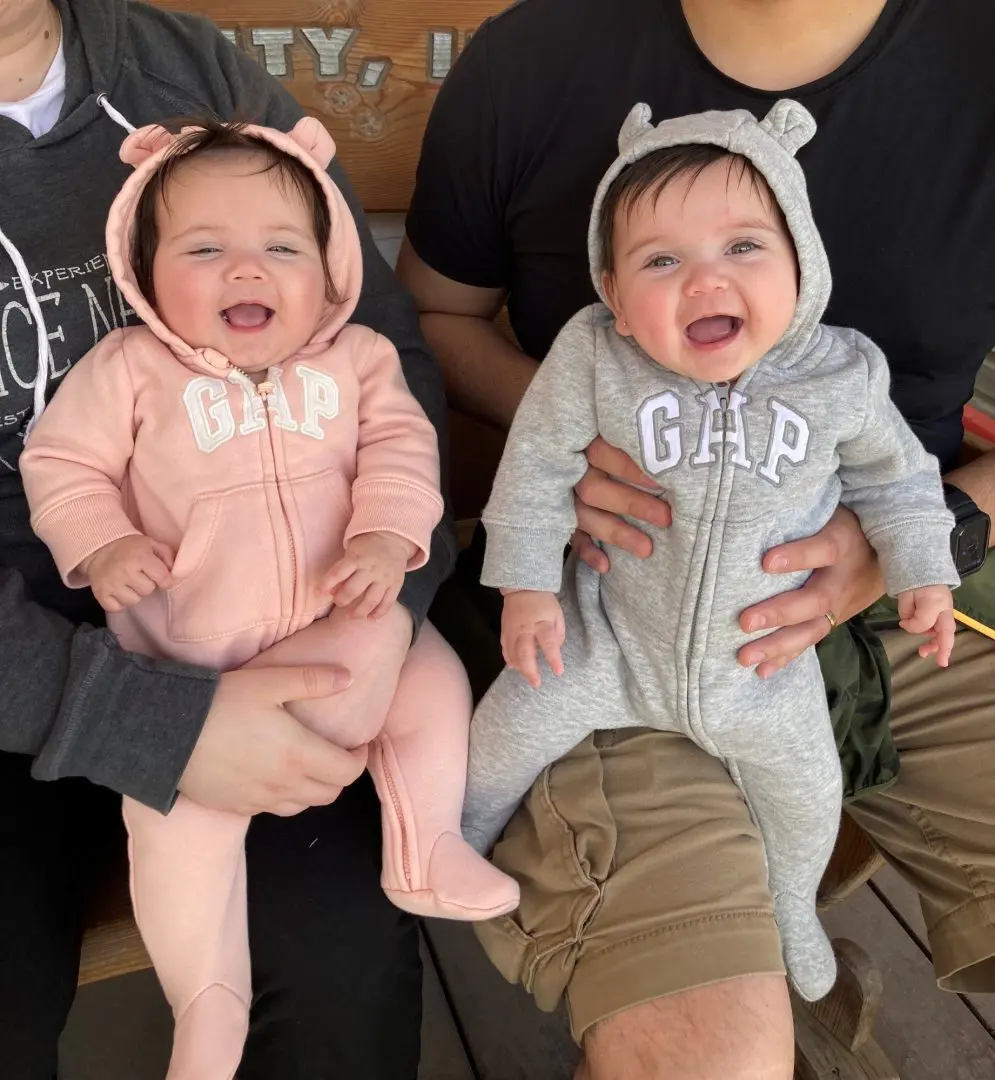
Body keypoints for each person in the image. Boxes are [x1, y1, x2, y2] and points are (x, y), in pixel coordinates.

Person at [401, 1, 995, 1077]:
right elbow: (432, 317)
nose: (705, 281)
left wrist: (921, 540)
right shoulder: (537, 56)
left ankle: (789, 927)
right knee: (701, 1056)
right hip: (611, 600)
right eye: (662, 261)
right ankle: (438, 847)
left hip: (917, 593)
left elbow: (900, 476)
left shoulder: (844, 363)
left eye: (739, 249)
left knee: (798, 789)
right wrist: (563, 458)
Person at [0, 1, 455, 1076]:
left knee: (338, 975)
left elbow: (375, 355)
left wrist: (386, 600)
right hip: (21, 664)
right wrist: (142, 716)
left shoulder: (187, 71)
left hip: (277, 622)